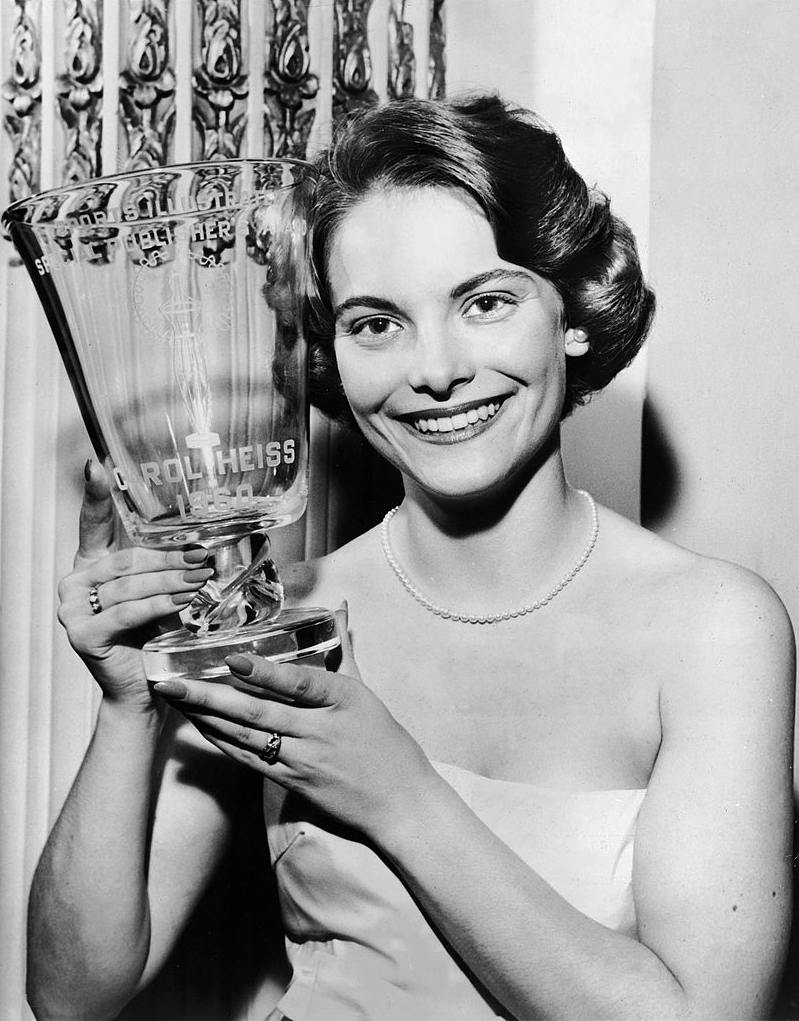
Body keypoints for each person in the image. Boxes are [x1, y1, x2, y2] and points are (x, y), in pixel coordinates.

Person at [27, 95, 795, 1021]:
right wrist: (126, 708)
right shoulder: (277, 618)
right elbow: (68, 997)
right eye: (374, 323)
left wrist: (396, 794)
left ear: (574, 313)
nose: (433, 370)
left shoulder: (712, 627)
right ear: (330, 355)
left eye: (485, 303)